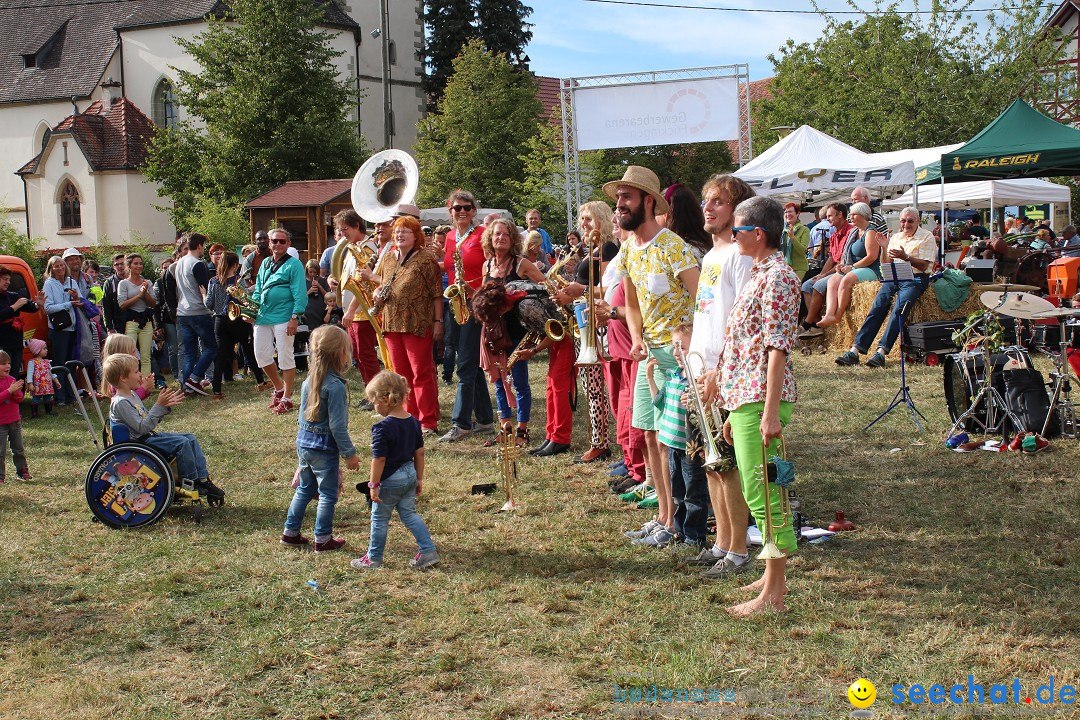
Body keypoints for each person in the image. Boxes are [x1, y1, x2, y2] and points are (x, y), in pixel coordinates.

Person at [608, 165, 700, 549]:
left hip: (678, 357)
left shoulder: (674, 246)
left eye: (626, 197)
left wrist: (694, 345)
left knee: (670, 442)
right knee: (647, 434)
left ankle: (677, 521)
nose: (620, 206)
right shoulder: (629, 247)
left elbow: (702, 299)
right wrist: (637, 335)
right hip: (648, 356)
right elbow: (631, 301)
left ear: (648, 201)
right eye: (618, 199)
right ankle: (662, 516)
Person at [720, 196, 800, 617]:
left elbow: (776, 347)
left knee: (764, 491)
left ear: (758, 234)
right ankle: (772, 575)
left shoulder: (779, 277)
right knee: (757, 489)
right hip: (746, 398)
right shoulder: (760, 273)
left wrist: (768, 411)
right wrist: (736, 409)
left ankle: (774, 592)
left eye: (737, 230)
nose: (732, 237)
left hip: (761, 399)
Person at [680, 173, 755, 576]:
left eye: (718, 202)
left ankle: (739, 551)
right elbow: (706, 316)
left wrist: (718, 372)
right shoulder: (709, 257)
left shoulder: (741, 257)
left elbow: (740, 323)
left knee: (728, 464)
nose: (707, 208)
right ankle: (722, 543)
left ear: (736, 210)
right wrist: (691, 364)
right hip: (700, 371)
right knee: (708, 461)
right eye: (706, 200)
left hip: (726, 374)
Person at [550, 200, 620, 462]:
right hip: (584, 319)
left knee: (599, 386)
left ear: (602, 219)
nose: (584, 223)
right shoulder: (591, 249)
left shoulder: (609, 248)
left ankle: (601, 443)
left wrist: (578, 292)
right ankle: (597, 440)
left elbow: (610, 288)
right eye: (581, 219)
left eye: (589, 218)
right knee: (590, 385)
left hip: (598, 322)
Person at [360, 215, 443, 433]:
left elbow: (436, 294)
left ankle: (428, 421)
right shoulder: (388, 258)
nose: (399, 234)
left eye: (405, 231)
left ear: (416, 236)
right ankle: (409, 417)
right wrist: (378, 291)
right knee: (401, 375)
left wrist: (438, 321)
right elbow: (386, 284)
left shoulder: (426, 260)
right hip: (391, 322)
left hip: (418, 323)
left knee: (421, 373)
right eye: (397, 231)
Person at [280, 324, 359, 552]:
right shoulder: (335, 386)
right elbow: (337, 427)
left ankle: (290, 532)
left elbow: (301, 416)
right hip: (324, 448)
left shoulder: (308, 381)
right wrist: (349, 454)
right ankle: (323, 538)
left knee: (304, 488)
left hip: (304, 443)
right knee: (327, 494)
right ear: (340, 353)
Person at [104, 353, 224, 502]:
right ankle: (190, 482)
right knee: (182, 443)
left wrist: (163, 406)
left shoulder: (131, 395)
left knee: (190, 438)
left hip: (147, 437)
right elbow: (142, 427)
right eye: (136, 371)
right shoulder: (120, 402)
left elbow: (146, 420)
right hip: (139, 443)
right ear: (123, 377)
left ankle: (202, 479)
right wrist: (159, 406)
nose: (140, 374)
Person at [351, 371, 439, 570]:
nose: (374, 406)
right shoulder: (414, 422)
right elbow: (420, 453)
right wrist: (419, 479)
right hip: (409, 474)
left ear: (385, 399)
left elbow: (379, 459)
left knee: (379, 519)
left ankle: (373, 558)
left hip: (390, 480)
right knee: (409, 514)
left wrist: (373, 484)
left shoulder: (382, 427)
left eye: (374, 401)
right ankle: (428, 551)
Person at [473, 218, 547, 449]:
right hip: (493, 333)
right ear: (490, 238)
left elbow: (545, 286)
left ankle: (522, 430)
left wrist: (520, 296)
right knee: (497, 380)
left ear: (513, 238)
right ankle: (505, 427)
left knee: (520, 382)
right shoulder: (487, 266)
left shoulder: (520, 263)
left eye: (505, 234)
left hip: (515, 331)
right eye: (496, 234)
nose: (500, 237)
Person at [836, 207, 937, 368]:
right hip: (894, 276)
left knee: (899, 310)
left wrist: (906, 257)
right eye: (903, 220)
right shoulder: (896, 237)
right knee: (877, 307)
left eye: (910, 221)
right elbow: (885, 264)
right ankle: (856, 350)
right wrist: (884, 247)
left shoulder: (926, 237)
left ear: (918, 221)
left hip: (915, 278)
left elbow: (925, 266)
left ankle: (881, 352)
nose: (906, 224)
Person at [641, 323, 709, 552]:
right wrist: (650, 379)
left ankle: (695, 536)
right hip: (672, 443)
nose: (677, 352)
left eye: (683, 346)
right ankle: (679, 531)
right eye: (674, 346)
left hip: (689, 445)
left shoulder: (697, 381)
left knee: (694, 493)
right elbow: (659, 402)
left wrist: (692, 402)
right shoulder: (672, 376)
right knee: (678, 490)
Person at [440, 189, 494, 442]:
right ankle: (484, 420)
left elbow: (493, 269)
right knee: (470, 363)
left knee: (464, 365)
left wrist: (479, 293)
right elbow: (450, 267)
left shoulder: (483, 235)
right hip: (455, 304)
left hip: (475, 304)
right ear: (450, 210)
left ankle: (460, 423)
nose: (462, 212)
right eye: (457, 208)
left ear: (474, 210)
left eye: (467, 207)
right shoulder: (450, 237)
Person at [251, 228, 307, 413]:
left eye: (282, 241)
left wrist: (295, 317)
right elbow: (258, 289)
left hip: (284, 316)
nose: (278, 244)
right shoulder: (266, 263)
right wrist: (251, 308)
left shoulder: (294, 265)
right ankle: (278, 388)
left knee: (285, 356)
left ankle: (288, 398)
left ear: (288, 244)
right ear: (269, 242)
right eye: (274, 241)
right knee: (261, 355)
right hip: (263, 316)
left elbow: (299, 293)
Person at [205, 252, 267, 399]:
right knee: (249, 351)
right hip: (238, 319)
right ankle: (261, 382)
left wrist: (203, 295)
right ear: (234, 265)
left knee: (221, 355)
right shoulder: (238, 281)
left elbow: (208, 304)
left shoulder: (213, 281)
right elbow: (245, 299)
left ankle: (217, 391)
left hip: (220, 321)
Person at [333, 210, 382, 386]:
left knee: (366, 354)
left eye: (345, 229)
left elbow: (365, 285)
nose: (342, 233)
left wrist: (352, 309)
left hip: (362, 312)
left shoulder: (367, 248)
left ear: (356, 226)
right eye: (340, 229)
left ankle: (377, 393)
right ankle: (370, 391)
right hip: (353, 312)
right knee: (359, 355)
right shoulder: (353, 247)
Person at [817, 202, 884, 328]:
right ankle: (829, 314)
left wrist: (852, 267)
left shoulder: (870, 232)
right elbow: (846, 254)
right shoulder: (855, 232)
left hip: (870, 268)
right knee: (832, 281)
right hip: (854, 267)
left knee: (847, 280)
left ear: (863, 215)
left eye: (854, 214)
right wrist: (842, 265)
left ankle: (838, 314)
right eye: (851, 214)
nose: (851, 217)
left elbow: (872, 257)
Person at [800, 203, 856, 334]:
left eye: (830, 216)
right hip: (834, 270)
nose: (827, 219)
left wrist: (823, 275)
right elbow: (831, 259)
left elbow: (842, 262)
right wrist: (822, 274)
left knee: (817, 285)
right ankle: (816, 323)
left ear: (840, 215)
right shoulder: (834, 234)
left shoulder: (850, 233)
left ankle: (807, 323)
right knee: (806, 286)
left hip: (843, 270)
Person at [174, 233, 217, 395]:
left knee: (189, 352)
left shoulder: (179, 263)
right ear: (199, 246)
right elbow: (204, 289)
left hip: (183, 312)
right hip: (198, 311)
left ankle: (187, 387)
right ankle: (194, 377)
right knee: (212, 347)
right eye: (203, 246)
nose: (203, 249)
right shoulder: (198, 264)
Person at [42, 255, 80, 406]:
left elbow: (80, 300)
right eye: (56, 266)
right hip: (59, 329)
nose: (60, 268)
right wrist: (69, 304)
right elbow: (48, 308)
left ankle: (71, 395)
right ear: (51, 269)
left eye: (61, 265)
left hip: (73, 327)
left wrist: (76, 297)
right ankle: (60, 397)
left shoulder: (72, 281)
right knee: (59, 362)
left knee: (71, 362)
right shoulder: (49, 284)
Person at [117, 253, 157, 376]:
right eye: (136, 263)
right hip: (131, 322)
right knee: (131, 355)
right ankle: (131, 382)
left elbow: (153, 303)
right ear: (129, 266)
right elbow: (122, 304)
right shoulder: (124, 284)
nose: (139, 266)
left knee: (146, 356)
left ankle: (145, 383)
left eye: (140, 263)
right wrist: (139, 295)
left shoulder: (147, 282)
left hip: (146, 322)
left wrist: (145, 293)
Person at [0, 265, 43, 376]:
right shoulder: (15, 301)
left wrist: (38, 304)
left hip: (16, 343)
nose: (8, 282)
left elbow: (30, 307)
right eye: (5, 279)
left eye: (9, 279)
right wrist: (15, 306)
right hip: (2, 345)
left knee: (14, 376)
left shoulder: (13, 296)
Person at [0, 350, 30, 482]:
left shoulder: (12, 380)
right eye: (3, 364)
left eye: (9, 363)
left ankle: (22, 470)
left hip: (15, 421)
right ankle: (0, 475)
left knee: (18, 449)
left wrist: (17, 393)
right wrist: (9, 391)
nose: (8, 366)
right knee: (0, 452)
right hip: (1, 423)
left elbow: (19, 399)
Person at [24, 338, 59, 418]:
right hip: (37, 385)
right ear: (37, 350)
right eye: (44, 349)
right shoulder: (32, 362)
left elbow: (51, 372)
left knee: (48, 397)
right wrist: (30, 383)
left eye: (46, 348)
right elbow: (29, 374)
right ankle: (34, 414)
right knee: (36, 398)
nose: (46, 350)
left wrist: (56, 381)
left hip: (47, 385)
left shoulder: (47, 362)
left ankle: (49, 411)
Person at [780, 202, 810, 277]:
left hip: (798, 268)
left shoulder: (804, 230)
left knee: (792, 288)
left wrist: (792, 238)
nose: (788, 214)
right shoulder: (781, 230)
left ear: (797, 214)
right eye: (786, 212)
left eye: (790, 211)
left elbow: (802, 251)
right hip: (783, 267)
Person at [101, 254, 128, 335]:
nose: (120, 266)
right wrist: (109, 327)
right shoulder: (109, 283)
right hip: (118, 324)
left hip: (136, 322)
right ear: (113, 267)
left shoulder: (136, 279)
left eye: (122, 263)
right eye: (117, 264)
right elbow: (106, 306)